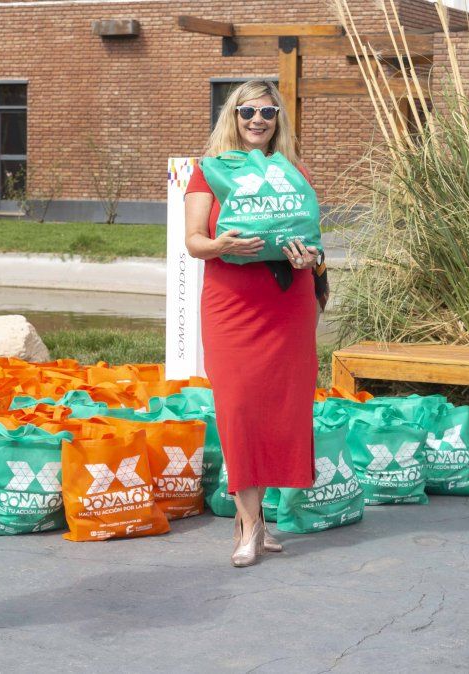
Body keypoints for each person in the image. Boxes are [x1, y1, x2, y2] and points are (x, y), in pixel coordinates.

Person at [184, 80, 322, 566]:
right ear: (233, 116)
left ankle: (258, 519)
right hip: (233, 305)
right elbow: (195, 242)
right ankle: (249, 524)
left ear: (278, 118)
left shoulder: (293, 170)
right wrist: (224, 246)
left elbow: (313, 239)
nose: (257, 120)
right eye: (247, 112)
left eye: (267, 111)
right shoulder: (209, 171)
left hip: (288, 302)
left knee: (280, 409)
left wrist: (311, 259)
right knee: (239, 408)